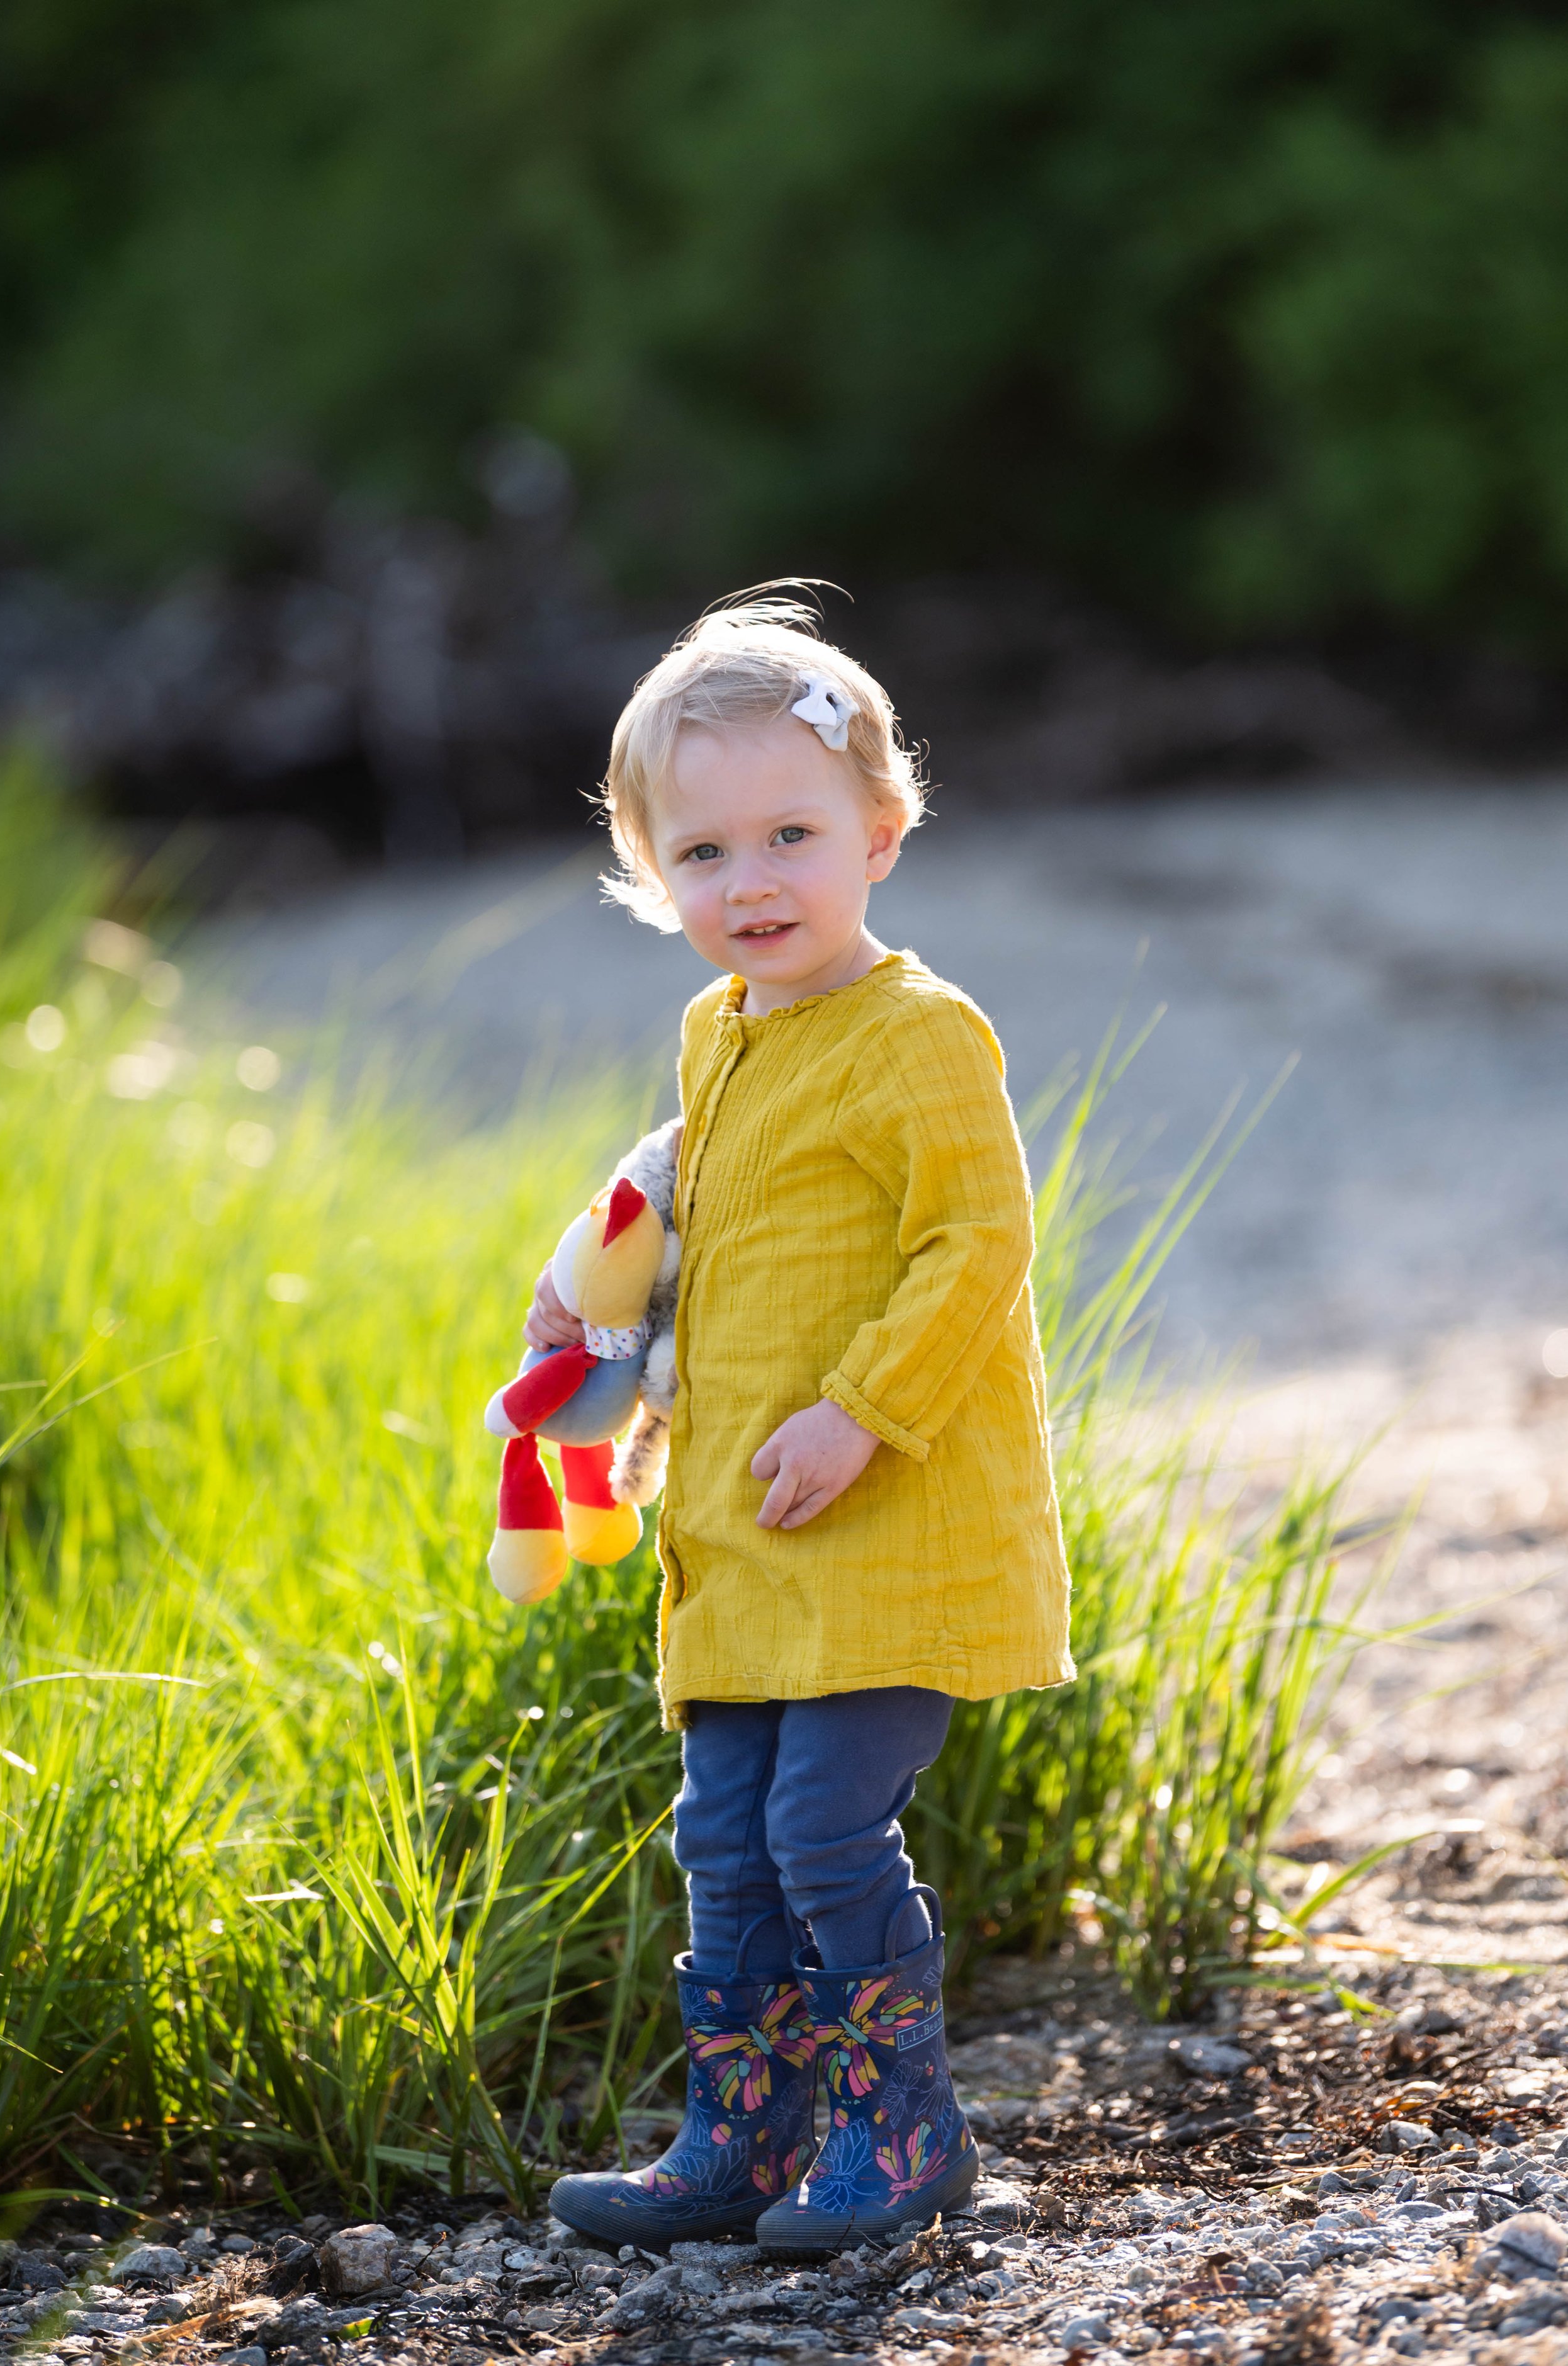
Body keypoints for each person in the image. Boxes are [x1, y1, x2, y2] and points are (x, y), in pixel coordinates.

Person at [538, 591, 1073, 2253]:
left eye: (791, 833)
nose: (751, 881)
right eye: (701, 853)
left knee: (821, 1823)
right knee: (722, 1835)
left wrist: (862, 1412)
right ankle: (743, 2134)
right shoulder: (714, 1037)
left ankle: (897, 2127)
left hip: (882, 1516)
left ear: (881, 835)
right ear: (651, 876)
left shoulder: (921, 1033)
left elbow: (976, 1243)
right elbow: (699, 1228)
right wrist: (594, 1314)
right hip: (738, 1531)